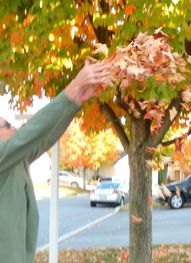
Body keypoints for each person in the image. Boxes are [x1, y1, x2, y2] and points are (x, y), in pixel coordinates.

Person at [0, 60, 112, 263]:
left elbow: (45, 137)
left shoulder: (18, 160)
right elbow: (30, 133)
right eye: (6, 125)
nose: (14, 127)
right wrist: (73, 88)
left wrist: (76, 103)